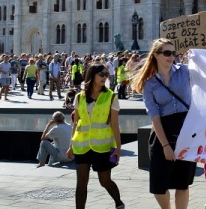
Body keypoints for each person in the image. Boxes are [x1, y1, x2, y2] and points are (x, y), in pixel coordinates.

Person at [134, 38, 196, 209]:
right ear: (156, 55)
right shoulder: (150, 83)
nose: (171, 56)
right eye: (167, 53)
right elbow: (154, 117)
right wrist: (166, 146)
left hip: (185, 130)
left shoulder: (185, 71)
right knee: (158, 186)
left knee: (182, 183)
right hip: (163, 131)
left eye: (173, 53)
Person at [66, 63, 124, 209]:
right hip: (82, 146)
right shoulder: (79, 97)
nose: (105, 77)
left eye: (107, 74)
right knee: (81, 183)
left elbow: (115, 125)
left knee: (104, 181)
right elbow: (75, 123)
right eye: (102, 74)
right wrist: (70, 145)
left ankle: (118, 202)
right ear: (92, 75)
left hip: (102, 147)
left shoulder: (111, 97)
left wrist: (118, 147)